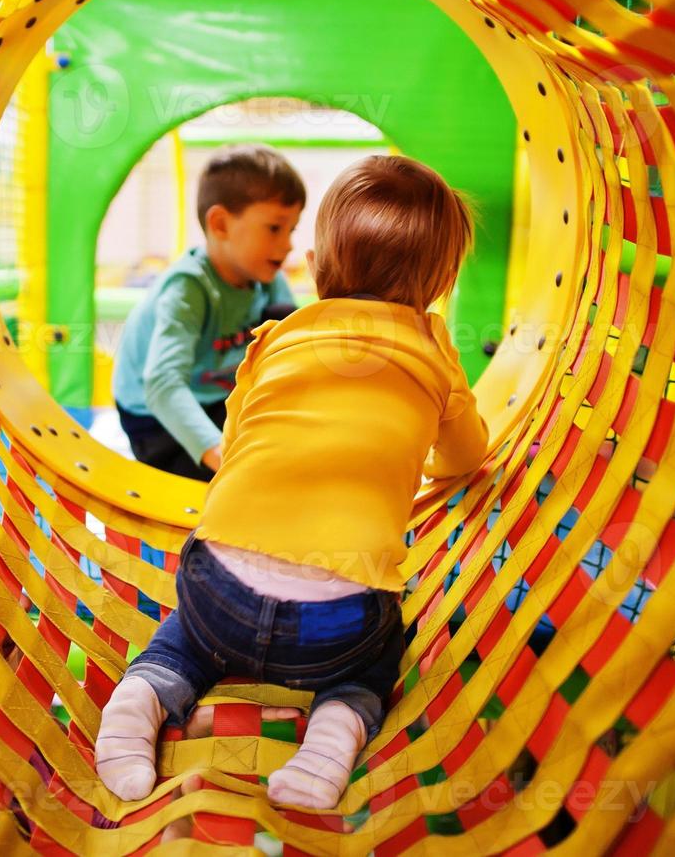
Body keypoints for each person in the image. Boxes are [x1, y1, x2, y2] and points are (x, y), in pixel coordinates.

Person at [94, 155, 490, 810]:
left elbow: (244, 434)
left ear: (316, 259)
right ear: (441, 281)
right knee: (379, 651)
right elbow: (465, 458)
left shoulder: (277, 336)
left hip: (217, 591)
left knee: (184, 638)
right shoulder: (433, 351)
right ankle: (336, 728)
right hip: (338, 623)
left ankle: (143, 697)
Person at [112, 144, 304, 480]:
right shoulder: (188, 288)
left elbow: (297, 355)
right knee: (231, 483)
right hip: (155, 420)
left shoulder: (268, 280)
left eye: (291, 230)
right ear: (220, 224)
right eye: (275, 228)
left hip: (216, 398)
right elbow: (163, 385)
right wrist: (220, 454)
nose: (288, 245)